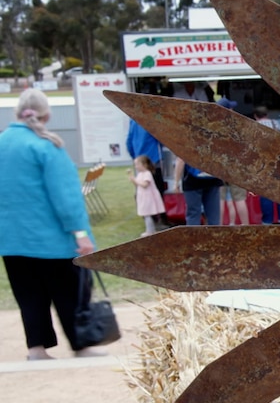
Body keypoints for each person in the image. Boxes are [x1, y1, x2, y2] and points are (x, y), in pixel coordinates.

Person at [0, 89, 101, 360]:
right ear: (48, 114)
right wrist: (80, 233)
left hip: (11, 240)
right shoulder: (47, 146)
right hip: (53, 241)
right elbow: (66, 197)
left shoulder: (2, 143)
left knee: (29, 296)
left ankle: (36, 348)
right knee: (68, 294)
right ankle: (81, 345)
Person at [171, 82, 224, 225]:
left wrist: (176, 182)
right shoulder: (215, 133)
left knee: (193, 215)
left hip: (192, 180)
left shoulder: (186, 134)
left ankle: (193, 244)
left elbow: (181, 159)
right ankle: (216, 243)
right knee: (214, 216)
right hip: (213, 178)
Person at [125, 116, 167, 225]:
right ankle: (160, 216)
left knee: (142, 188)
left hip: (140, 160)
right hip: (153, 159)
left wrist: (136, 158)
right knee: (157, 189)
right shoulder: (151, 120)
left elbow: (129, 141)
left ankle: (149, 217)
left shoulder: (133, 121)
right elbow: (161, 138)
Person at [253, 105, 280, 224]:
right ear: (267, 114)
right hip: (278, 162)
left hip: (263, 164)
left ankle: (267, 221)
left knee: (266, 193)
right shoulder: (276, 124)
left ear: (255, 116)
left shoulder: (254, 126)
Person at [217, 97, 250, 225]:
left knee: (219, 199)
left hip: (218, 167)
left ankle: (217, 227)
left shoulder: (213, 126)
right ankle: (246, 227)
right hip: (235, 167)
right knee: (239, 199)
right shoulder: (236, 126)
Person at [128, 155, 167, 236]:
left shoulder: (147, 173)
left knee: (147, 214)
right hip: (143, 197)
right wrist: (133, 180)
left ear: (145, 165)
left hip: (148, 198)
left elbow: (145, 184)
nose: (136, 167)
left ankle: (150, 231)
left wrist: (134, 180)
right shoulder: (140, 174)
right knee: (146, 214)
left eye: (137, 164)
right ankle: (151, 230)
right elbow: (138, 185)